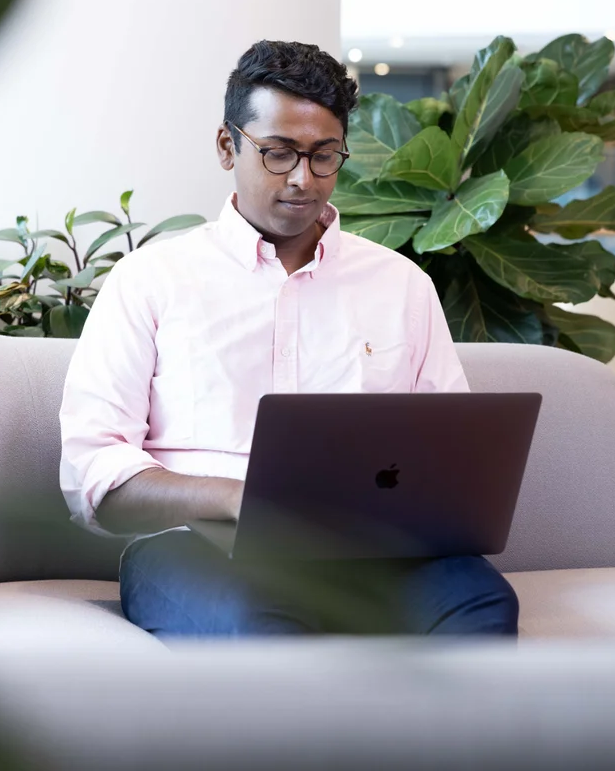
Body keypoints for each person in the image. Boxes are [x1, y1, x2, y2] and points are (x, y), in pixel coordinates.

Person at [59, 40, 518, 637]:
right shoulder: (151, 279)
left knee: (482, 606)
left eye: (324, 156)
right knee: (261, 625)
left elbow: (451, 458)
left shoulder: (401, 285)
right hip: (195, 547)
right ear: (228, 146)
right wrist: (235, 498)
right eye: (277, 154)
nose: (303, 179)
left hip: (374, 550)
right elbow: (95, 473)